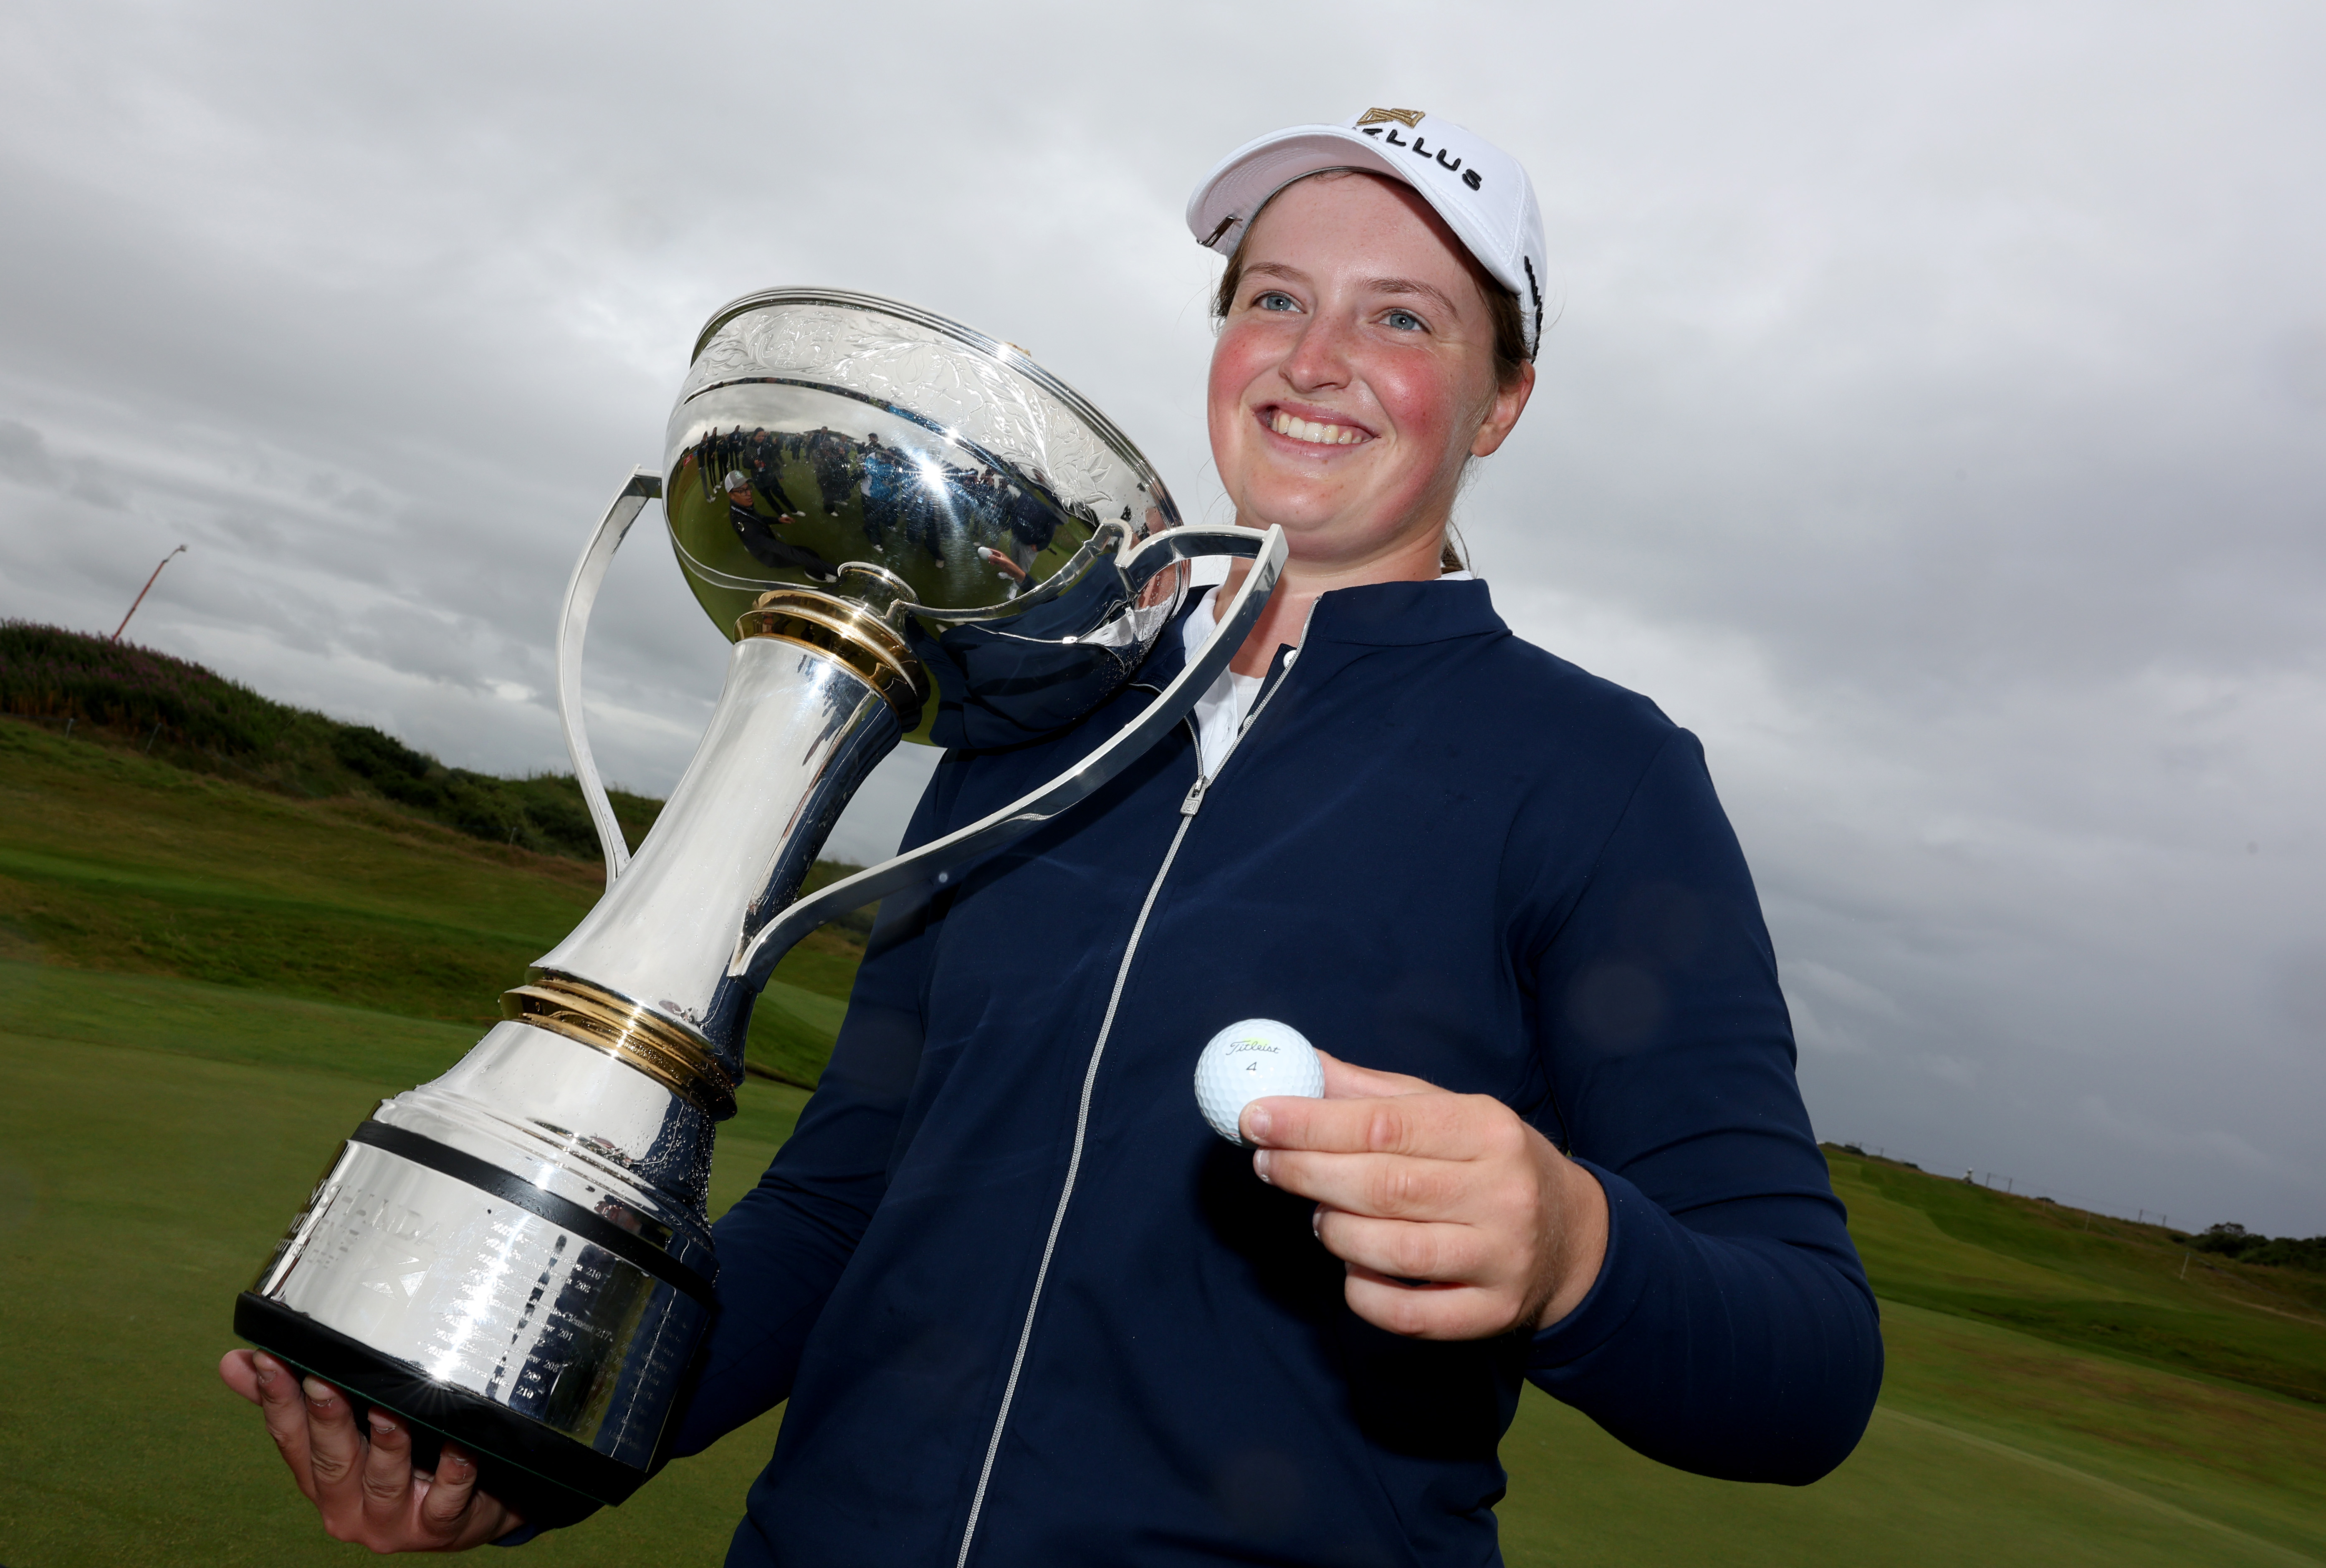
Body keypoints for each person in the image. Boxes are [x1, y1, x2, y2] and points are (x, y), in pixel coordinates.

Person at [220, 106, 1882, 1562]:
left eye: (1402, 318)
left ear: (1499, 401)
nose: (1313, 358)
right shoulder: (1034, 698)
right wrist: (527, 1455)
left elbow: (1807, 1366)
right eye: (1275, 298)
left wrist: (1574, 1250)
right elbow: (844, 1204)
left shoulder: (1597, 775)